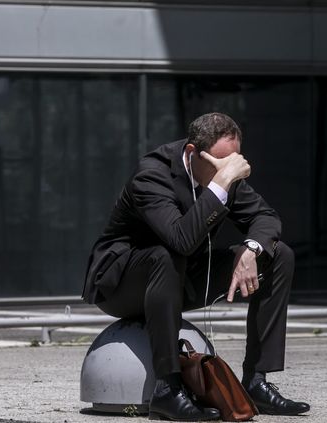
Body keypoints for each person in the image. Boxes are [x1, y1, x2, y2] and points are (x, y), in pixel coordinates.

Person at [82, 112, 310, 421]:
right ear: (192, 153)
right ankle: (167, 389)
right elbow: (180, 239)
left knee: (278, 254)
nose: (228, 170)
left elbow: (266, 217)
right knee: (164, 254)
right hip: (122, 284)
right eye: (219, 164)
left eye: (233, 163)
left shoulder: (222, 170)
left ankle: (256, 381)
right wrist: (222, 183)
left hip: (178, 278)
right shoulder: (151, 176)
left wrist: (251, 250)